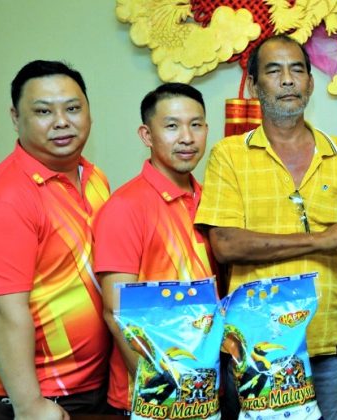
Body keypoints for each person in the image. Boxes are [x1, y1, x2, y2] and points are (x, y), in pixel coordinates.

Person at [194, 34, 337, 420]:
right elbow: (226, 244)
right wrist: (320, 239)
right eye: (274, 71)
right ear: (255, 86)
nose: (287, 80)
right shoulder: (229, 155)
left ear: (310, 83)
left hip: (327, 341)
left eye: (297, 70)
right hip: (257, 342)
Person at [0, 60, 111, 420]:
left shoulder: (93, 177)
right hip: (27, 395)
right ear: (16, 117)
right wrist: (29, 405)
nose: (61, 122)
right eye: (43, 111)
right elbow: (4, 311)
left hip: (90, 381)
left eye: (72, 108)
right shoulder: (1, 200)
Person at [92, 82, 234, 416]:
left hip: (207, 390)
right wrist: (160, 393)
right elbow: (116, 313)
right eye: (172, 126)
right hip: (152, 398)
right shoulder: (125, 207)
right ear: (147, 135)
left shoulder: (212, 201)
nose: (187, 137)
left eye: (195, 125)